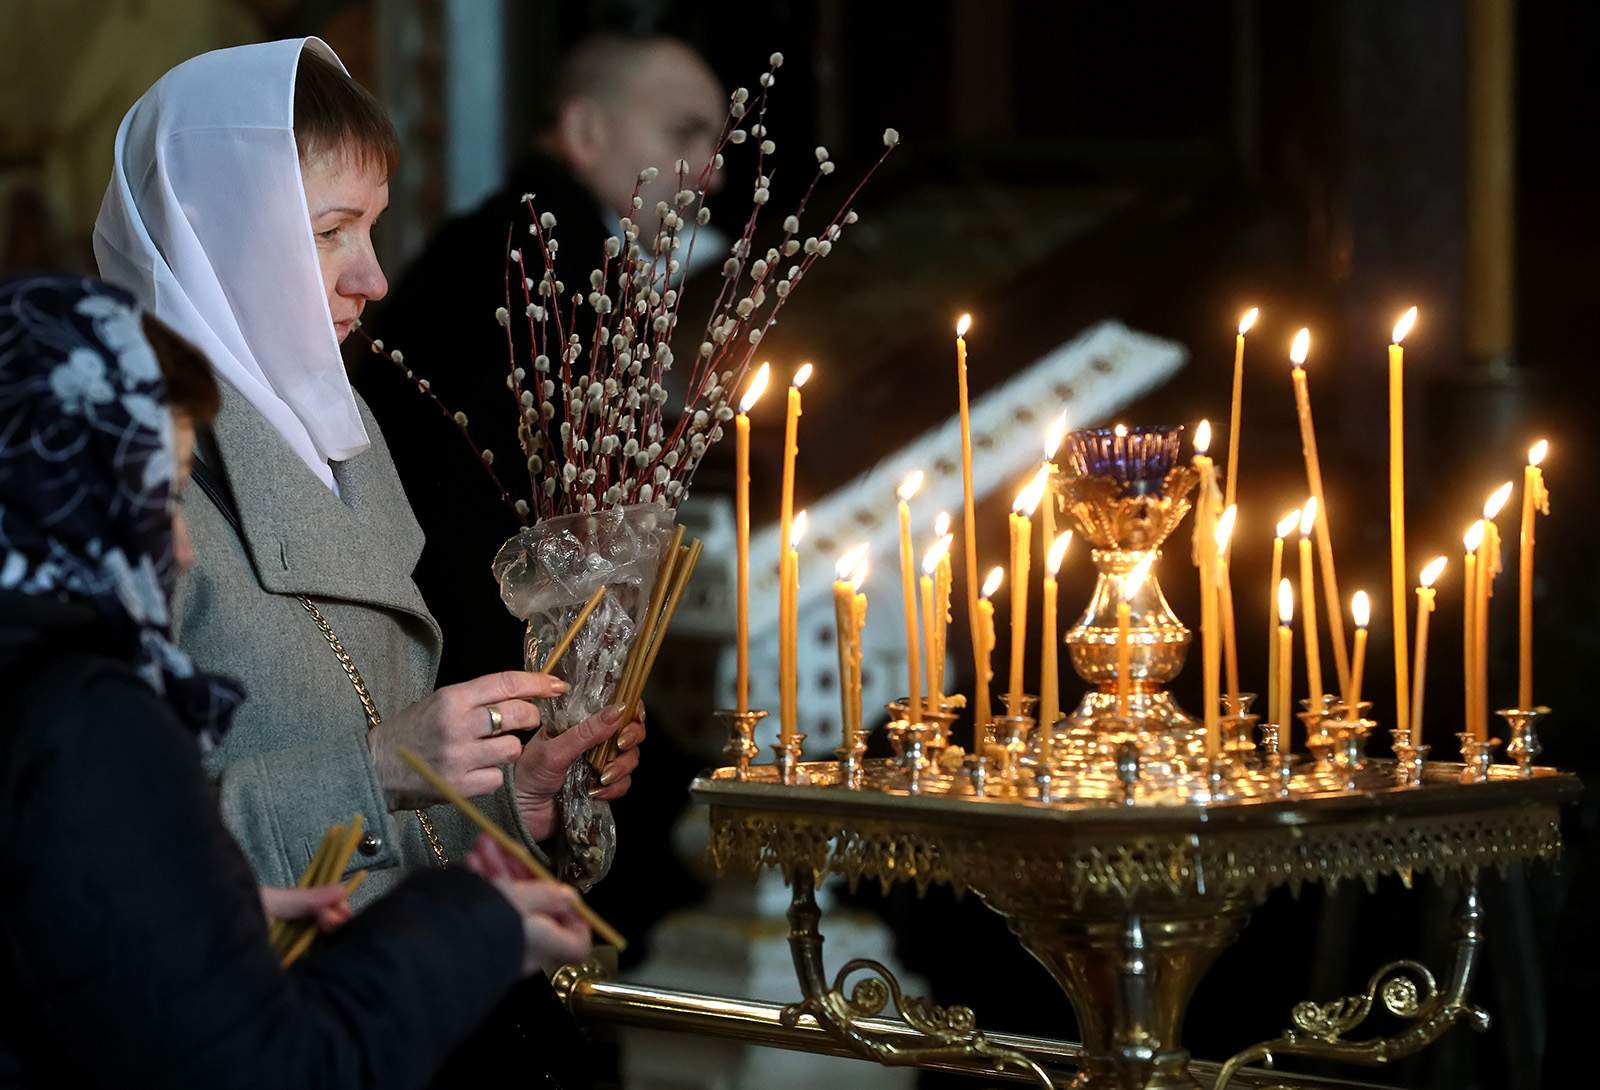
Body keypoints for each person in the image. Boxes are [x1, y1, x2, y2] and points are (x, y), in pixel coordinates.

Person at [0, 273, 592, 1088]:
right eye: (156, 499)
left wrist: (212, 909)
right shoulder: (84, 707)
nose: (180, 547)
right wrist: (465, 923)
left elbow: (62, 920)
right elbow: (265, 1071)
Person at [93, 38, 643, 904]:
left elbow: (387, 814)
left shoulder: (343, 435)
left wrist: (515, 798)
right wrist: (383, 765)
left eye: (372, 226)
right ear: (210, 236)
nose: (374, 277)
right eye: (329, 232)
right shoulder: (105, 472)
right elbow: (89, 864)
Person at [360, 33, 726, 683]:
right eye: (685, 135)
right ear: (585, 130)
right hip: (487, 661)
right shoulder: (549, 270)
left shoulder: (511, 244)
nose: (711, 170)